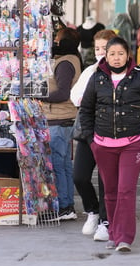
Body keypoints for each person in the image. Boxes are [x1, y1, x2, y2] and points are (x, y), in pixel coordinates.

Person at [79, 37, 140, 252]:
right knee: (110, 191)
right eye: (112, 54)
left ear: (128, 55)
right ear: (105, 56)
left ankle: (124, 238)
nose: (116, 58)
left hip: (133, 143)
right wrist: (91, 141)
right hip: (103, 144)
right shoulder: (96, 78)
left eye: (120, 54)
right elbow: (86, 110)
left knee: (126, 190)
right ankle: (113, 233)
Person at [71, 29, 118, 241]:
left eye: (104, 48)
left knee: (106, 180)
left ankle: (105, 222)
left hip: (111, 133)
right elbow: (75, 96)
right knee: (79, 176)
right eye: (97, 48)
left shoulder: (125, 73)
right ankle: (93, 210)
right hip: (87, 131)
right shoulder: (90, 71)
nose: (100, 53)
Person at [41, 27, 82, 220]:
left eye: (57, 39)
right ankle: (68, 206)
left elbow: (63, 93)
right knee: (64, 164)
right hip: (62, 119)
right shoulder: (69, 59)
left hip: (59, 120)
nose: (54, 42)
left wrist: (40, 96)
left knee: (58, 164)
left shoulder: (65, 63)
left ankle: (64, 207)